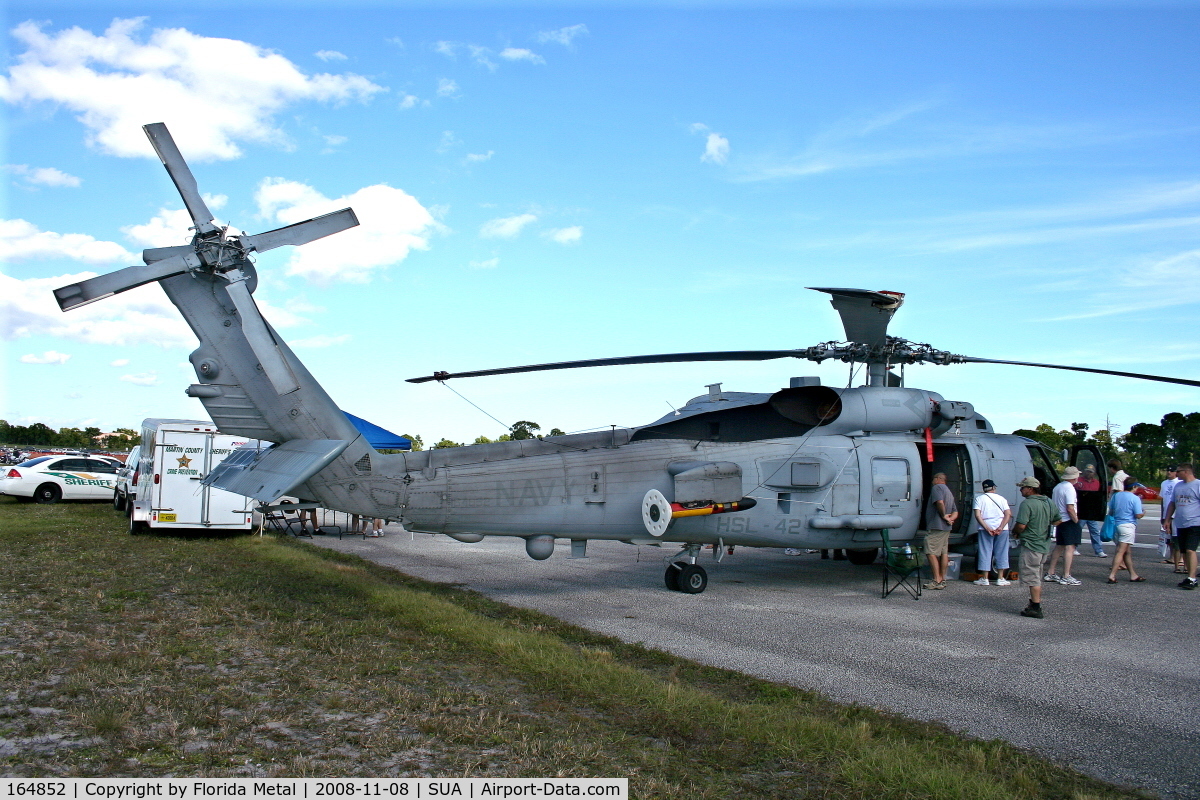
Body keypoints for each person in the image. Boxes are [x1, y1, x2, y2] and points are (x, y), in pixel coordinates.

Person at [1013, 477, 1055, 618]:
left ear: (1030, 489)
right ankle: (1033, 603)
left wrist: (1016, 532)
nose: (1021, 490)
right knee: (1037, 573)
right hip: (1044, 544)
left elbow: (1021, 525)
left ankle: (1036, 607)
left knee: (1033, 577)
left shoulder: (1027, 504)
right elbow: (1058, 520)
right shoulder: (1048, 502)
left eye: (1023, 487)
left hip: (1031, 544)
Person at [1164, 463, 1200, 590]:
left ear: (1186, 472)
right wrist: (1167, 519)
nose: (1176, 473)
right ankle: (1189, 576)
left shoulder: (1198, 485)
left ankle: (1192, 578)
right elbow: (1172, 504)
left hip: (1194, 523)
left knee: (1191, 550)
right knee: (1184, 551)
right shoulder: (1178, 486)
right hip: (1180, 523)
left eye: (1178, 471)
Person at [1045, 466, 1083, 586]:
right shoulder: (1070, 489)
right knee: (1070, 547)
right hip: (1068, 520)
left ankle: (1050, 572)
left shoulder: (1058, 487)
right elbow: (1070, 507)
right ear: (1074, 477)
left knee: (1059, 546)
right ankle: (1066, 575)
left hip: (1059, 519)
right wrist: (1076, 520)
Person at [973, 479, 1012, 586]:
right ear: (994, 488)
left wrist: (987, 528)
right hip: (1002, 529)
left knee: (985, 551)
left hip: (985, 529)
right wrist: (1000, 527)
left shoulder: (979, 499)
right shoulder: (1002, 499)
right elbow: (1008, 514)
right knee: (1002, 552)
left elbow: (977, 515)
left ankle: (985, 578)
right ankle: (1000, 578)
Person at [1106, 476, 1145, 583]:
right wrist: (1143, 513)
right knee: (1120, 551)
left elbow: (1111, 511)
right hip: (1127, 526)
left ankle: (1133, 575)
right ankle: (1112, 575)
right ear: (1134, 487)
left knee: (1127, 552)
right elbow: (1138, 515)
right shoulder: (1135, 498)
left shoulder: (1116, 496)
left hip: (1116, 525)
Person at [923, 472, 959, 589]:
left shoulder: (937, 488)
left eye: (934, 478)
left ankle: (936, 579)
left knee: (930, 551)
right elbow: (955, 511)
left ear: (938, 479)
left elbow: (939, 502)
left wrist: (943, 516)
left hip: (936, 526)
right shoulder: (948, 491)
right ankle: (943, 579)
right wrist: (950, 520)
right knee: (944, 553)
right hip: (946, 528)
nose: (933, 481)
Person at [1077, 465, 1108, 558]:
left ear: (1094, 473)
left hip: (1092, 511)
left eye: (1090, 471)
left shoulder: (1097, 483)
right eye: (1087, 471)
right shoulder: (1078, 481)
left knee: (1095, 531)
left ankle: (1098, 550)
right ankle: (1074, 547)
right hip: (1081, 510)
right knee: (1077, 529)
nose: (1088, 473)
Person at [1159, 465, 1182, 566]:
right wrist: (1162, 515)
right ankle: (1172, 557)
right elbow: (1163, 499)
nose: (1169, 472)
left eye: (1171, 470)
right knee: (1169, 537)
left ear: (1176, 472)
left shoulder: (1179, 483)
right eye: (1167, 470)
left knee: (1177, 536)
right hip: (1167, 514)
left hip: (1177, 514)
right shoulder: (1164, 483)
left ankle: (1181, 558)